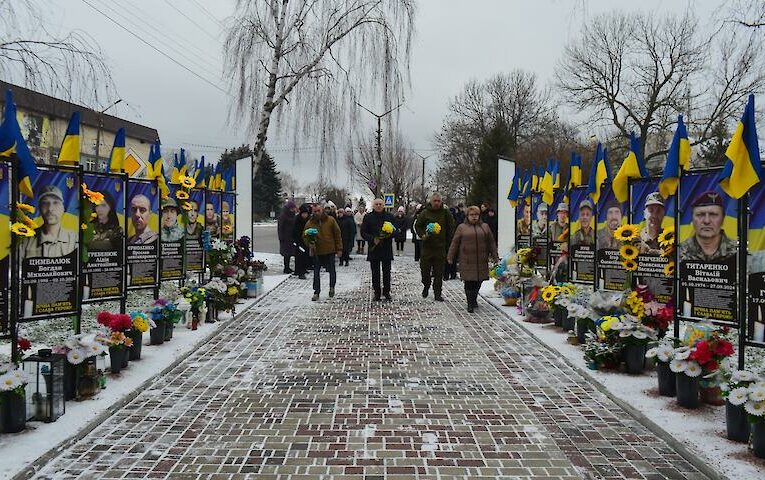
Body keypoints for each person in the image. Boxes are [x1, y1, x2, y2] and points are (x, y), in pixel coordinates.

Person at [447, 206, 498, 312]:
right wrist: (450, 256)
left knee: (478, 282)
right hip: (467, 260)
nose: (474, 217)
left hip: (481, 260)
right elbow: (455, 243)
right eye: (472, 215)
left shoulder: (485, 227)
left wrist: (495, 256)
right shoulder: (462, 227)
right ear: (467, 216)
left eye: (476, 215)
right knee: (469, 282)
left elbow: (491, 243)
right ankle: (470, 303)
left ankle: (474, 299)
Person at [415, 192, 456, 301]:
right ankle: (426, 285)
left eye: (439, 201)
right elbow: (417, 225)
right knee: (425, 271)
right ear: (431, 201)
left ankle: (437, 293)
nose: (437, 203)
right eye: (435, 201)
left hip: (440, 248)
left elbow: (451, 227)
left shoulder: (445, 213)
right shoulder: (425, 213)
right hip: (427, 248)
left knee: (439, 273)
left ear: (441, 202)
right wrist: (422, 235)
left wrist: (449, 242)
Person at [20, 185, 78, 260]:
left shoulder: (75, 240)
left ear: (63, 208)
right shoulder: (26, 241)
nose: (50, 209)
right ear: (39, 208)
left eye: (55, 203)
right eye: (45, 203)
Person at [678, 190, 736, 261]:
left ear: (723, 219)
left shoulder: (738, 253)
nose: (707, 221)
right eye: (700, 215)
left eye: (713, 215)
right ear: (692, 219)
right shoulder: (677, 253)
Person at [303, 203, 342, 301]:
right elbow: (304, 236)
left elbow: (337, 234)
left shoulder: (330, 220)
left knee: (332, 270)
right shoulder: (310, 223)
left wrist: (339, 249)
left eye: (318, 211)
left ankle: (332, 287)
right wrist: (309, 243)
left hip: (330, 250)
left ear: (322, 210)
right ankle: (316, 292)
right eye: (315, 211)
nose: (317, 213)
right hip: (317, 251)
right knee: (316, 272)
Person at [361, 198, 396, 301]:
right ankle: (377, 293)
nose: (378, 206)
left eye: (380, 204)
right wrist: (373, 239)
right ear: (373, 205)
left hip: (386, 248)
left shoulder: (389, 217)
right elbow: (363, 232)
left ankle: (386, 292)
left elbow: (395, 231)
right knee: (375, 273)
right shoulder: (368, 217)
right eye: (376, 204)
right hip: (374, 249)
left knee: (387, 272)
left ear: (384, 205)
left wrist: (388, 235)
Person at [292, 203, 312, 279]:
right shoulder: (297, 220)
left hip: (306, 241)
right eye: (303, 213)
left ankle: (302, 270)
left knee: (304, 257)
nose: (305, 215)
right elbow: (295, 231)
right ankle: (300, 272)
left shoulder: (308, 220)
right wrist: (297, 241)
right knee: (299, 257)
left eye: (306, 213)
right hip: (298, 241)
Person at [277, 201, 297, 273]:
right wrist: (281, 237)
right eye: (292, 208)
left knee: (292, 253)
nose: (293, 210)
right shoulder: (283, 216)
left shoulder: (293, 215)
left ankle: (290, 268)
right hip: (285, 238)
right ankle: (286, 268)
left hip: (292, 237)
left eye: (294, 208)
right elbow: (280, 227)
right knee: (286, 254)